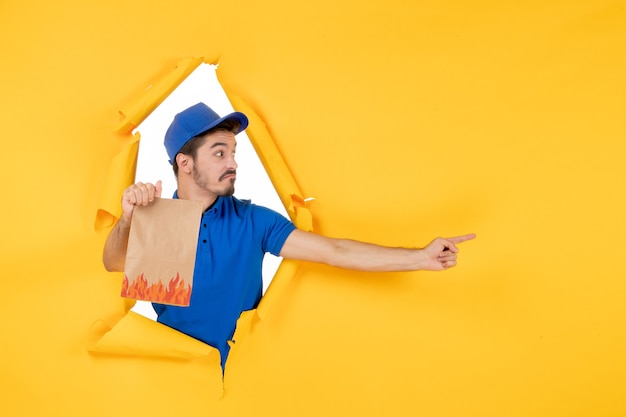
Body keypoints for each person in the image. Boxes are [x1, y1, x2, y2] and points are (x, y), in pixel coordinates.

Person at [103, 102, 475, 370]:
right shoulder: (159, 219)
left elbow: (335, 251)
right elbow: (113, 263)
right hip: (171, 375)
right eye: (219, 153)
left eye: (233, 152)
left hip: (244, 377)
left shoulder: (254, 221)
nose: (233, 163)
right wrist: (128, 219)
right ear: (185, 164)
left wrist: (420, 258)